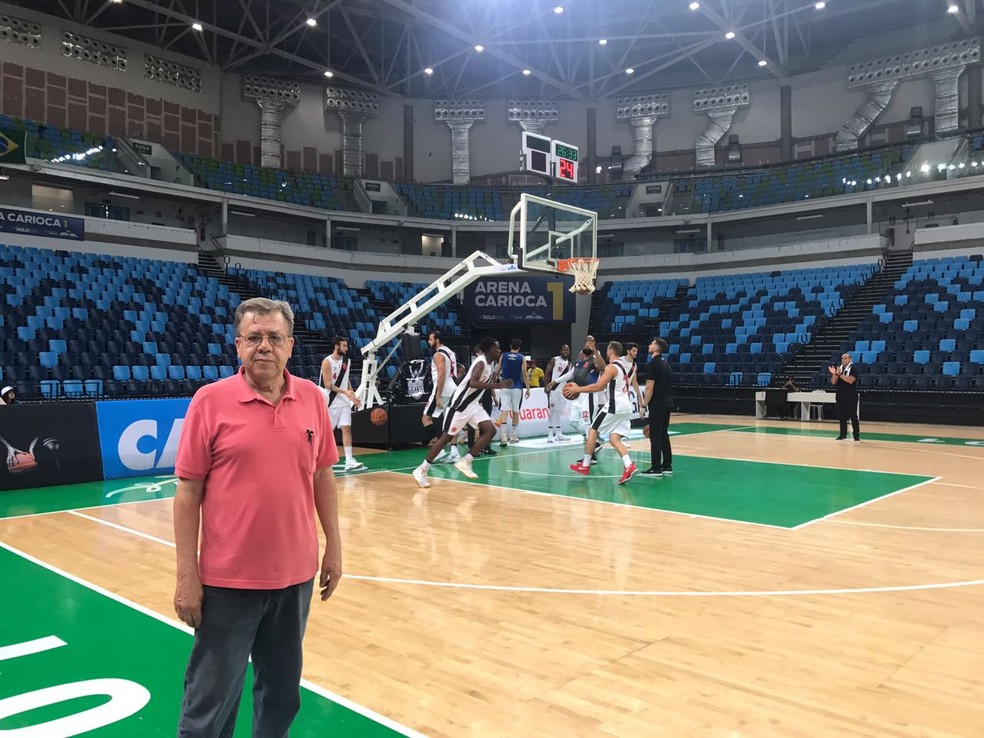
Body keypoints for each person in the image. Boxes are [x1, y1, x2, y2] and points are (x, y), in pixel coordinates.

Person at [172, 297, 342, 738]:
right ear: (238, 345)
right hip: (228, 583)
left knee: (281, 696)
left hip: (296, 579)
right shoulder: (210, 402)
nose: (264, 346)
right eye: (254, 337)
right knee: (211, 703)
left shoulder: (312, 398)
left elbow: (322, 476)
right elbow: (187, 493)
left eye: (274, 338)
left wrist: (334, 549)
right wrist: (187, 577)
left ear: (290, 345)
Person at [412, 338, 512, 488]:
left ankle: (466, 461)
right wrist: (499, 385)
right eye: (496, 348)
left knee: (490, 430)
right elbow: (473, 383)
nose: (499, 350)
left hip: (473, 405)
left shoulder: (488, 364)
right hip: (460, 405)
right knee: (446, 438)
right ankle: (421, 469)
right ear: (490, 349)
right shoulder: (480, 362)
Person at [564, 340, 638, 485]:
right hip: (626, 405)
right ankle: (629, 465)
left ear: (610, 351)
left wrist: (577, 389)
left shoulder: (612, 367)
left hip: (615, 405)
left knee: (592, 430)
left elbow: (598, 386)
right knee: (614, 438)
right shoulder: (623, 366)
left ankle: (585, 465)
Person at [320, 337, 365, 471]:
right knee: (326, 432)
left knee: (346, 428)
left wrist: (352, 395)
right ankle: (321, 458)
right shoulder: (327, 362)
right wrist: (345, 392)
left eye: (346, 346)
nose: (346, 348)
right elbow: (328, 384)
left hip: (344, 401)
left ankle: (349, 460)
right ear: (336, 346)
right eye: (344, 346)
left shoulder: (347, 361)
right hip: (330, 400)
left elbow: (346, 379)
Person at [422, 331, 460, 464]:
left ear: (437, 340)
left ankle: (439, 449)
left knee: (426, 418)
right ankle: (454, 452)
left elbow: (442, 375)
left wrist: (437, 396)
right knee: (450, 422)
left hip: (442, 390)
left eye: (430, 339)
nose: (428, 342)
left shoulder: (438, 354)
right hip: (453, 389)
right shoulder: (450, 352)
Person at [641, 337, 674, 476]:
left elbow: (649, 387)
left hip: (658, 403)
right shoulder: (666, 363)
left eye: (652, 344)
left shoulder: (653, 364)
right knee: (663, 433)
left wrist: (644, 405)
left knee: (654, 434)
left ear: (656, 348)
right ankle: (667, 465)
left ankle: (656, 467)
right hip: (668, 402)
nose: (649, 345)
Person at [495, 339, 530, 447]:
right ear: (519, 347)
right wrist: (528, 388)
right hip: (517, 387)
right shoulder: (522, 358)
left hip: (505, 387)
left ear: (510, 346)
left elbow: (497, 370)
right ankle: (513, 436)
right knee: (516, 411)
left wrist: (500, 380)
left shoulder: (504, 355)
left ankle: (503, 436)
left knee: (504, 410)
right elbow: (524, 373)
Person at [829, 351, 861, 441]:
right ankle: (842, 434)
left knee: (853, 415)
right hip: (840, 395)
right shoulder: (839, 368)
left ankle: (856, 435)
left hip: (851, 395)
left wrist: (840, 374)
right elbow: (833, 382)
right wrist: (834, 374)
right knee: (841, 416)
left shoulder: (854, 368)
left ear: (850, 359)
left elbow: (850, 380)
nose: (843, 360)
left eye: (845, 358)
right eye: (842, 358)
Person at [543, 344, 571, 442]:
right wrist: (546, 385)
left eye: (567, 350)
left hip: (562, 391)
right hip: (553, 389)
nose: (565, 351)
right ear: (560, 351)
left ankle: (558, 434)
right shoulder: (554, 360)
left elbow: (568, 378)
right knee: (552, 411)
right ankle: (550, 434)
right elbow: (547, 372)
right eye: (564, 350)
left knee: (559, 412)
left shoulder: (569, 364)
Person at [624, 343, 645, 420]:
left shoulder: (634, 365)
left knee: (627, 416)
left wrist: (639, 395)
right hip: (617, 392)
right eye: (634, 351)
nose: (636, 353)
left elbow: (634, 381)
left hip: (625, 394)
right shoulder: (620, 360)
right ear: (628, 351)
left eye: (636, 351)